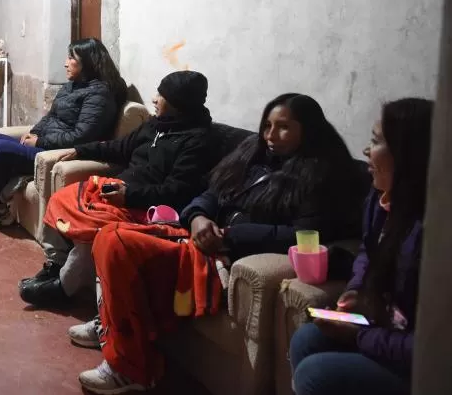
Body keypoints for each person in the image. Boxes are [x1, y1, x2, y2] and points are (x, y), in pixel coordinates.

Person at [74, 93, 366, 394]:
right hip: (198, 238)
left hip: (223, 258)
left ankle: (129, 367)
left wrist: (231, 236)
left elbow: (303, 235)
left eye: (283, 127)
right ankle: (109, 327)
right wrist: (198, 216)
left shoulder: (320, 176)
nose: (270, 135)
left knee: (118, 242)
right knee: (109, 235)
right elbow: (212, 191)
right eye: (267, 125)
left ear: (309, 130)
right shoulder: (254, 154)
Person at [18, 70, 221, 308]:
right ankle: (57, 264)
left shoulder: (197, 141)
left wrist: (129, 196)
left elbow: (177, 191)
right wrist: (82, 150)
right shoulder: (155, 126)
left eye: (162, 95)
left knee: (89, 227)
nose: (154, 99)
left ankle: (63, 287)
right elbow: (120, 147)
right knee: (63, 198)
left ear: (178, 103)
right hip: (120, 190)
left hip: (145, 207)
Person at [289, 98, 433, 395]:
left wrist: (360, 336)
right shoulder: (383, 200)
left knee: (315, 374)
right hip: (386, 328)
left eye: (376, 141)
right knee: (307, 338)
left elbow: (431, 348)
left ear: (409, 156)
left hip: (421, 363)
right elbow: (369, 249)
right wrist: (357, 290)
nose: (366, 151)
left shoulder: (436, 230)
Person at [0, 38, 133, 231]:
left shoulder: (99, 95)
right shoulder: (73, 85)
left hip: (55, 152)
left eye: (71, 58)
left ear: (88, 62)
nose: (65, 63)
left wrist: (40, 141)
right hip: (44, 143)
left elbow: (82, 137)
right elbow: (51, 116)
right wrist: (34, 133)